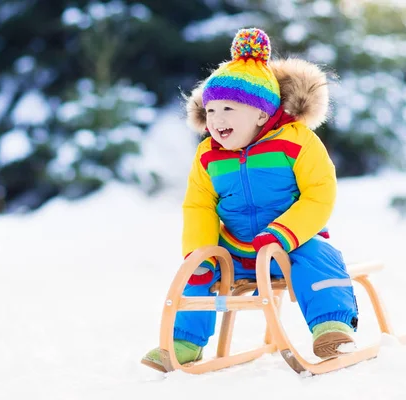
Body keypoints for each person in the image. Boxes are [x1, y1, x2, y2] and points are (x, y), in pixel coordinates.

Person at [141, 28, 358, 372]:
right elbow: (198, 205)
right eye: (210, 110)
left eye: (228, 108)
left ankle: (331, 326)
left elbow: (320, 192)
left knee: (320, 256)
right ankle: (184, 341)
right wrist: (200, 250)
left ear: (260, 113)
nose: (217, 119)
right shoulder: (208, 156)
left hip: (292, 243)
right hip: (239, 249)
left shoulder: (296, 142)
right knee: (197, 271)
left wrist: (284, 233)